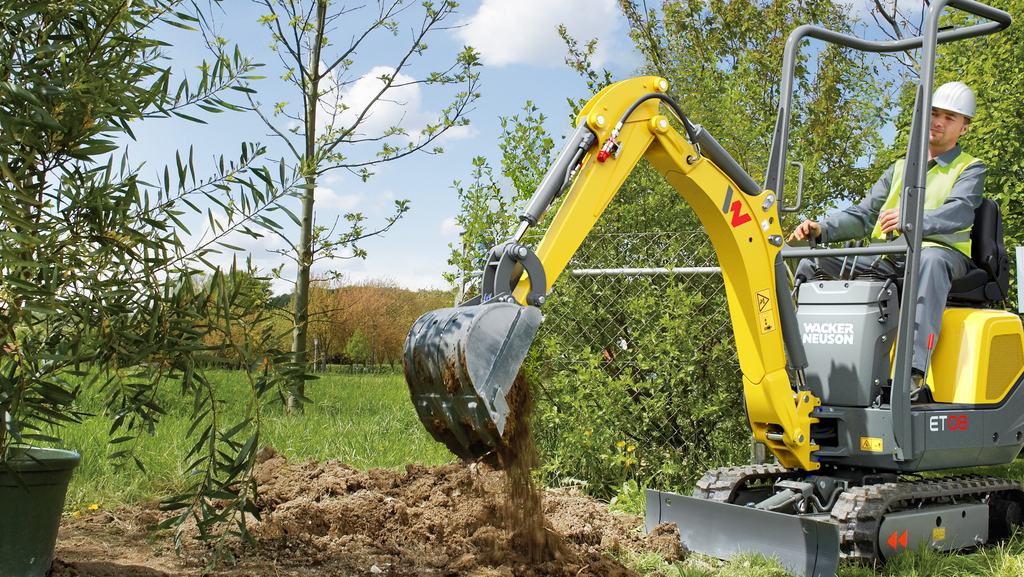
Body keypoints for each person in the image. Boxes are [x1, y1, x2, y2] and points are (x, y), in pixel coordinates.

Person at [787, 81, 986, 398]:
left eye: (949, 117)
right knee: (813, 264)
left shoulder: (970, 167)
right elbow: (864, 215)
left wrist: (912, 220)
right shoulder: (900, 168)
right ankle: (796, 367)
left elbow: (960, 211)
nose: (938, 121)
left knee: (930, 260)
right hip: (889, 256)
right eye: (934, 113)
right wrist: (821, 229)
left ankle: (913, 373)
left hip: (941, 254)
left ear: (964, 128)